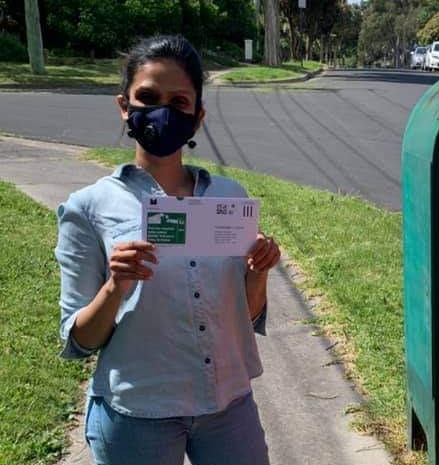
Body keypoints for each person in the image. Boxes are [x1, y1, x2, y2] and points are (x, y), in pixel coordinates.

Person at [55, 35, 279, 465]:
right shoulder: (89, 207)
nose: (162, 111)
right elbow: (80, 339)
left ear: (197, 118)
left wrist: (259, 270)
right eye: (148, 97)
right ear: (125, 106)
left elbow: (246, 317)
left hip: (227, 404)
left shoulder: (227, 200)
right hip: (139, 414)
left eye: (179, 102)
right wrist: (115, 286)